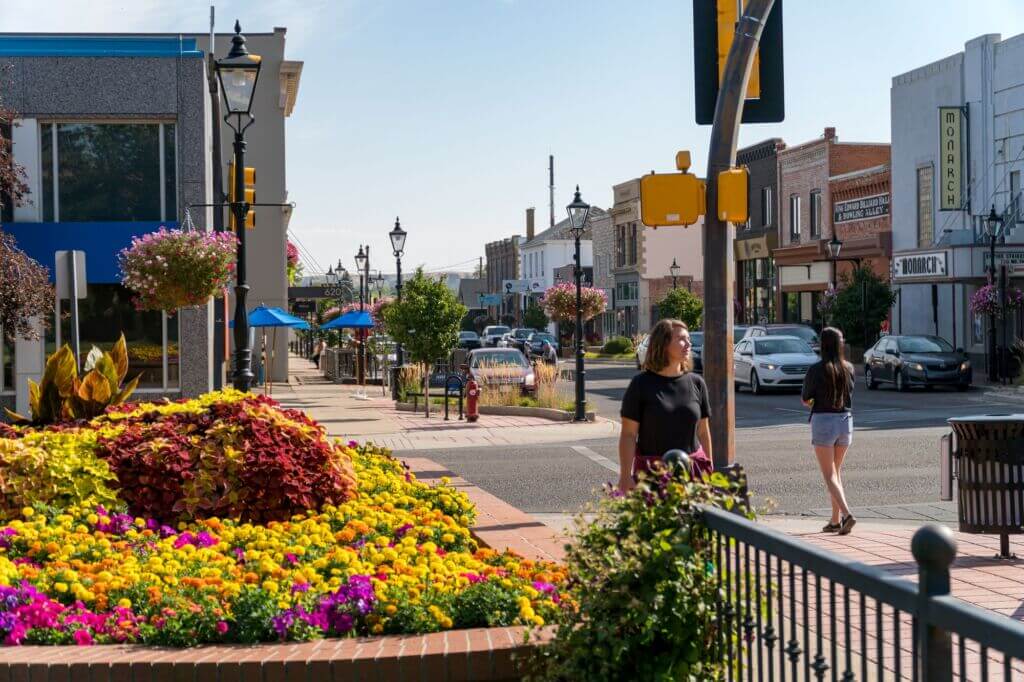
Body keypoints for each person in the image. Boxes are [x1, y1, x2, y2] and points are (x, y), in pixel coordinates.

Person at [618, 319, 713, 492]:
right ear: (663, 344)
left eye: (688, 339)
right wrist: (625, 476)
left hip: (692, 475)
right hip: (652, 475)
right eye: (681, 339)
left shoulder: (697, 383)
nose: (688, 344)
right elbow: (629, 435)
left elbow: (703, 432)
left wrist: (709, 471)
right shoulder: (640, 384)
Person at [801, 326, 856, 535]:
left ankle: (847, 515)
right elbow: (850, 394)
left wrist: (811, 401)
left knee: (829, 475)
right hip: (845, 421)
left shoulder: (816, 370)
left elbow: (806, 398)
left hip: (823, 421)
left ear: (822, 345)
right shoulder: (849, 368)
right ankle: (835, 521)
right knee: (836, 472)